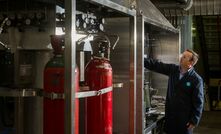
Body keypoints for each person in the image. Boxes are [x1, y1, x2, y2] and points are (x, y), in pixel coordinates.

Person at [144, 49, 204, 134]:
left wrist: (194, 121)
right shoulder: (173, 70)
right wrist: (141, 60)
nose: (181, 58)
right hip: (170, 119)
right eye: (182, 55)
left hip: (184, 121)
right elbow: (157, 65)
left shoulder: (196, 80)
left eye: (184, 57)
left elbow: (199, 102)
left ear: (190, 63)